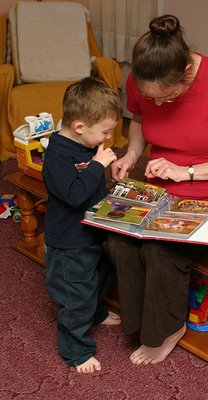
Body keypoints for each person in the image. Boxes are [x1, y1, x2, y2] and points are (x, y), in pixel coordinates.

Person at [107, 14, 208, 365]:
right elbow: (140, 122)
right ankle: (137, 323)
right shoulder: (140, 81)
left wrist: (186, 171)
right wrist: (131, 155)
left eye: (167, 97)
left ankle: (165, 329)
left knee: (163, 251)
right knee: (118, 240)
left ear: (187, 72)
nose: (157, 105)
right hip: (162, 193)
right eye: (150, 97)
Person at [42, 77, 123, 373]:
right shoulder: (57, 155)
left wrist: (103, 167)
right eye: (104, 132)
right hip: (69, 242)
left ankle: (98, 312)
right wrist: (96, 166)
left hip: (91, 233)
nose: (106, 139)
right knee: (77, 295)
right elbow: (74, 195)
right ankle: (75, 349)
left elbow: (90, 180)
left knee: (99, 278)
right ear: (79, 127)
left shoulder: (84, 144)